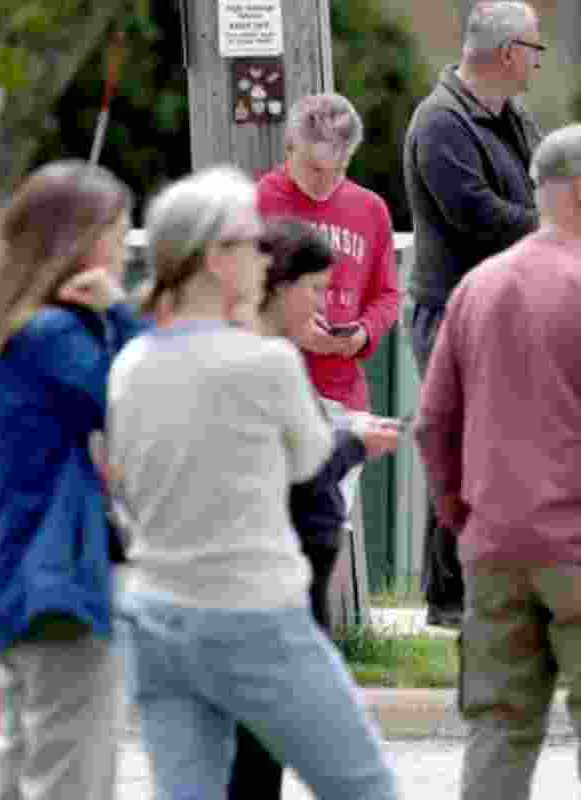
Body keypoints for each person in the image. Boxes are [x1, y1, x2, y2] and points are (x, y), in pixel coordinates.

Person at [107, 166, 400, 799]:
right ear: (218, 259)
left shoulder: (130, 362)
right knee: (365, 786)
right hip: (255, 611)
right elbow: (309, 461)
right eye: (251, 242)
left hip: (155, 614)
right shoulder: (267, 364)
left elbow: (123, 478)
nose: (264, 257)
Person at [415, 122, 581, 800]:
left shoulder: (477, 288)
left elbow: (434, 423)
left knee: (498, 731)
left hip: (495, 547)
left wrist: (466, 518)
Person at [0, 159, 142, 800]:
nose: (123, 253)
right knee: (72, 776)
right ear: (79, 242)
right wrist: (122, 315)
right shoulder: (54, 335)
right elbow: (141, 398)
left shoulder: (13, 331)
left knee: (20, 763)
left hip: (16, 573)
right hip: (62, 576)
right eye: (117, 234)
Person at [226, 218, 402, 800]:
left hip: (293, 578)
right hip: (281, 584)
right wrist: (355, 444)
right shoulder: (265, 361)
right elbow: (299, 469)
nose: (324, 304)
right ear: (278, 284)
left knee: (261, 750)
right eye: (316, 289)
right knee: (334, 758)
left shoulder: (264, 357)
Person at [403, 0, 546, 627]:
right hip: (453, 314)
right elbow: (476, 215)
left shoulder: (514, 116)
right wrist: (557, 223)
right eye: (535, 49)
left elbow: (542, 183)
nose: (539, 61)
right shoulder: (440, 123)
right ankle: (449, 598)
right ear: (509, 52)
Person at [257, 92, 402, 628]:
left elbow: (388, 294)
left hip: (342, 388)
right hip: (275, 385)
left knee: (326, 527)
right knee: (273, 523)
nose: (324, 183)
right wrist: (296, 333)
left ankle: (318, 636)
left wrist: (361, 334)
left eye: (337, 169)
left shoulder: (370, 209)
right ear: (290, 147)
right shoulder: (259, 201)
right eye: (314, 169)